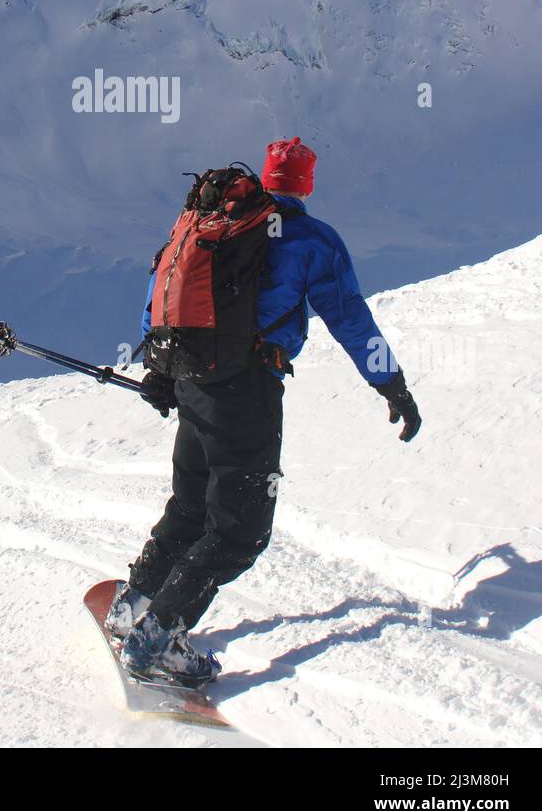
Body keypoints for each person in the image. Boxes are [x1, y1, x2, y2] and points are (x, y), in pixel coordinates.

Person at [107, 137, 421, 687]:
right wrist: (391, 384)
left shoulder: (210, 223)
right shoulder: (310, 240)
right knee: (239, 530)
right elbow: (350, 319)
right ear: (306, 184)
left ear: (266, 178)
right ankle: (157, 639)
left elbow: (161, 285)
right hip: (246, 393)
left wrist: (161, 370)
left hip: (192, 380)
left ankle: (131, 605)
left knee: (190, 506)